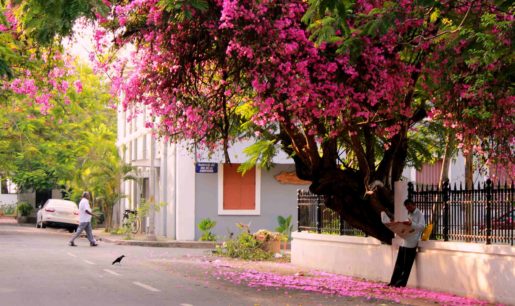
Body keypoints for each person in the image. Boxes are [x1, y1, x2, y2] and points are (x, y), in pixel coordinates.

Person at [388, 199, 425, 287]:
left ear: (413, 205)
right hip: (405, 241)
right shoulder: (409, 214)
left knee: (406, 265)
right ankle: (393, 281)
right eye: (406, 208)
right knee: (399, 264)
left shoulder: (419, 214)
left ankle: (400, 283)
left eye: (409, 207)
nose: (408, 209)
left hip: (412, 242)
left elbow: (422, 227)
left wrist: (411, 224)